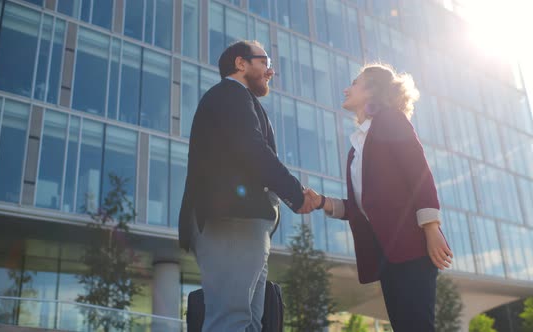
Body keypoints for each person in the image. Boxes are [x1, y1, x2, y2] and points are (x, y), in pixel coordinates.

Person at [178, 40, 314, 331]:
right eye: (264, 62)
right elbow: (252, 148)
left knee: (250, 323)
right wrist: (295, 194)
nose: (270, 71)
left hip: (245, 222)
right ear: (241, 64)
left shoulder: (237, 99)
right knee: (231, 319)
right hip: (232, 219)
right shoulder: (230, 94)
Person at [307, 63, 453, 332]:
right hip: (387, 254)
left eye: (354, 83)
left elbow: (418, 172)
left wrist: (432, 228)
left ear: (372, 90)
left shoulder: (390, 119)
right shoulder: (355, 149)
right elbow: (360, 207)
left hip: (412, 247)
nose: (345, 89)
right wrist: (321, 202)